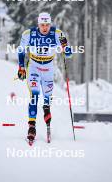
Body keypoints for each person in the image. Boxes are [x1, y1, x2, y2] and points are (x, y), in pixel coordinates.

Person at [17, 12, 72, 142]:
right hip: (34, 66)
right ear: (38, 24)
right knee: (34, 95)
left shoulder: (57, 34)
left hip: (48, 68)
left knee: (47, 98)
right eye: (42, 25)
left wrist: (67, 50)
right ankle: (32, 127)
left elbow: (67, 51)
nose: (45, 28)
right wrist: (21, 67)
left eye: (47, 25)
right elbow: (21, 50)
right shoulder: (29, 34)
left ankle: (46, 110)